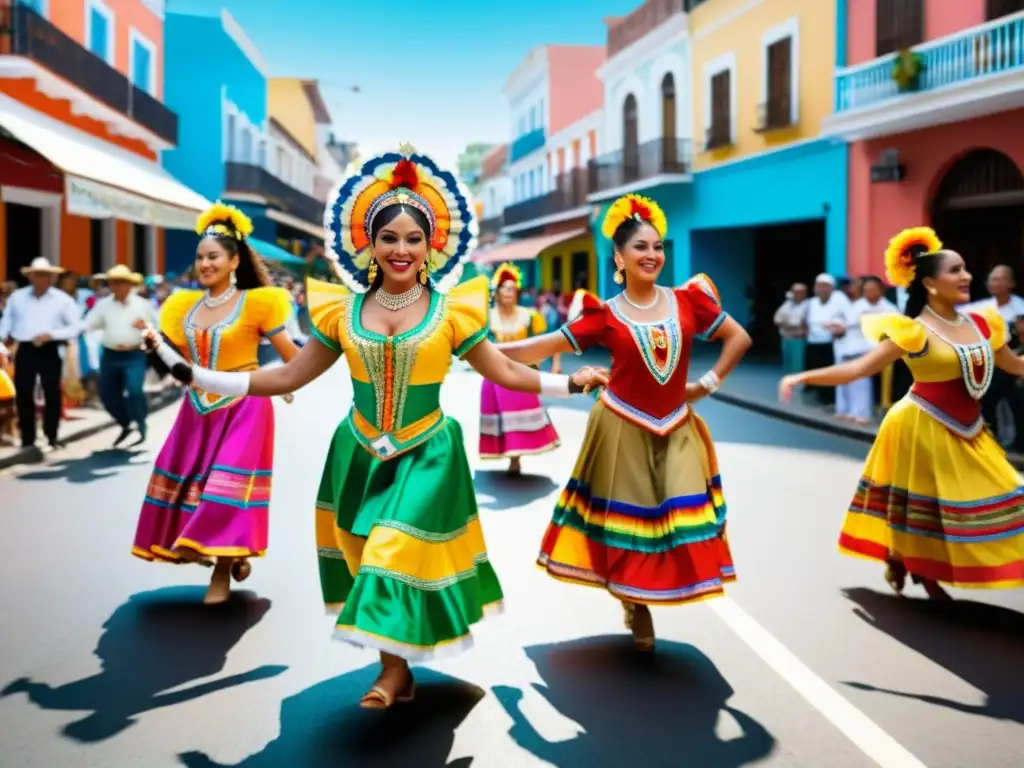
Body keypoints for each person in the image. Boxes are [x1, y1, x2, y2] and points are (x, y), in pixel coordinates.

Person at [143, 146, 606, 708]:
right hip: (358, 452)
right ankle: (400, 669)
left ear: (432, 245)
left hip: (428, 452)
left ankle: (389, 675)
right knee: (366, 554)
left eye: (414, 238)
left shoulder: (453, 310)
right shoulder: (341, 312)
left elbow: (506, 369)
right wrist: (196, 374)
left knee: (391, 550)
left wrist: (570, 385)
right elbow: (287, 376)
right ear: (369, 242)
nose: (402, 249)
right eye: (390, 238)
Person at [494, 194, 752, 651]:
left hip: (677, 425)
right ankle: (638, 604)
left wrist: (707, 383)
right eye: (640, 247)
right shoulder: (604, 314)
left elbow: (739, 336)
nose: (652, 255)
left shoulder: (689, 301)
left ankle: (655, 588)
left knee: (681, 513)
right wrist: (482, 352)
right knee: (632, 522)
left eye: (658, 247)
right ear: (619, 256)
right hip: (620, 425)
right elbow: (542, 345)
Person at [780, 227, 1024, 598]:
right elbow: (859, 369)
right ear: (929, 283)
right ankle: (917, 564)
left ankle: (911, 557)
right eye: (955, 270)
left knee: (1004, 496)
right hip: (920, 426)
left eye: (966, 269)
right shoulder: (912, 331)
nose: (967, 276)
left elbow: (1015, 365)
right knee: (928, 507)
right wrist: (802, 376)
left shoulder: (982, 323)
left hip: (971, 430)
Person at [132, 202, 301, 605]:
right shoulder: (181, 308)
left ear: (233, 261)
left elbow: (295, 359)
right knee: (194, 486)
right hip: (197, 408)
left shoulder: (259, 303)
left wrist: (279, 382)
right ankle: (231, 555)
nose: (204, 264)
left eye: (213, 257)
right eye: (200, 257)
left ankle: (221, 574)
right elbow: (182, 366)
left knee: (224, 488)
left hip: (245, 406)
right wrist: (153, 345)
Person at [480, 261, 561, 475]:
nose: (508, 293)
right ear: (497, 292)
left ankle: (516, 458)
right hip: (495, 373)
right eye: (505, 289)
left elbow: (549, 340)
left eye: (512, 289)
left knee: (519, 414)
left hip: (521, 373)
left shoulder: (529, 315)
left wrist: (555, 363)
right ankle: (511, 456)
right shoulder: (487, 317)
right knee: (502, 418)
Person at [0, 258, 79, 450]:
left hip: (49, 348)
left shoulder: (62, 300)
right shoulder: (17, 297)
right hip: (25, 348)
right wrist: (2, 339)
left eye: (45, 275)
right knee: (24, 392)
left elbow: (75, 327)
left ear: (51, 278)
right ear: (30, 277)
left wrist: (51, 335)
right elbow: (7, 322)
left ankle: (51, 434)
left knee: (52, 391)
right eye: (38, 275)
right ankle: (28, 438)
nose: (42, 279)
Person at [84, 265, 159, 447]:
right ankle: (126, 423)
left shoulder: (143, 305)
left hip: (134, 354)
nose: (117, 286)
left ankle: (140, 422)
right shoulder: (103, 305)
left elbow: (155, 329)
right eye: (113, 283)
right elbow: (90, 325)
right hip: (110, 354)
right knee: (107, 395)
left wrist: (145, 329)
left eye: (121, 283)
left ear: (129, 284)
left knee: (134, 391)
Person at [834, 276, 898, 424]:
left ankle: (862, 414)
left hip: (875, 348)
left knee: (861, 376)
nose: (869, 293)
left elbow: (896, 328)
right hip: (852, 346)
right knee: (844, 375)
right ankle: (846, 410)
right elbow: (844, 323)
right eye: (866, 290)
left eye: (873, 290)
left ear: (881, 291)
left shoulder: (889, 308)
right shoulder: (857, 306)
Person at [804, 274, 851, 407]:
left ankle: (829, 399)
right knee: (814, 371)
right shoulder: (812, 302)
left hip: (831, 344)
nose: (823, 289)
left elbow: (849, 318)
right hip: (813, 343)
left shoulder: (840, 300)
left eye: (826, 287)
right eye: (820, 286)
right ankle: (816, 395)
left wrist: (837, 326)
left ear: (832, 288)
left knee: (828, 372)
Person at [773, 283, 808, 374]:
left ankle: (798, 385)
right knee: (787, 365)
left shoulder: (808, 305)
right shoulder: (787, 304)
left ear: (804, 293)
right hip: (786, 338)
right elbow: (777, 319)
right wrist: (789, 323)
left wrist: (787, 323)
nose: (796, 294)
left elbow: (799, 323)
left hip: (799, 340)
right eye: (794, 292)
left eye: (799, 292)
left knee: (798, 366)